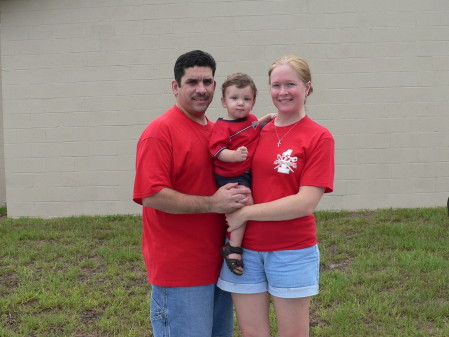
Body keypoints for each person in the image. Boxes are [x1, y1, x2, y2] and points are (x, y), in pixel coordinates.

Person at [133, 50, 250, 337]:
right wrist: (213, 203)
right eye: (192, 82)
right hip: (180, 272)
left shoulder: (217, 132)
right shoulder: (160, 132)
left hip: (219, 266)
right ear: (176, 86)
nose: (201, 89)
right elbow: (152, 195)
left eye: (208, 81)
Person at [217, 55, 335, 337]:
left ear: (307, 87)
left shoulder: (319, 137)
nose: (283, 92)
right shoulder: (255, 131)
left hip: (291, 250)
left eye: (290, 84)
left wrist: (244, 213)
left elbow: (306, 202)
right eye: (276, 85)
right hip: (245, 250)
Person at [209, 73, 274, 276]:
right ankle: (233, 249)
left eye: (246, 99)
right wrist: (234, 155)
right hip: (230, 174)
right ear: (223, 101)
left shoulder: (251, 120)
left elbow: (254, 128)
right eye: (234, 98)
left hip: (245, 173)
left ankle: (237, 238)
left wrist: (267, 119)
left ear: (253, 102)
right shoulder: (222, 127)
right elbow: (217, 151)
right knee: (244, 202)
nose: (240, 103)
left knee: (246, 203)